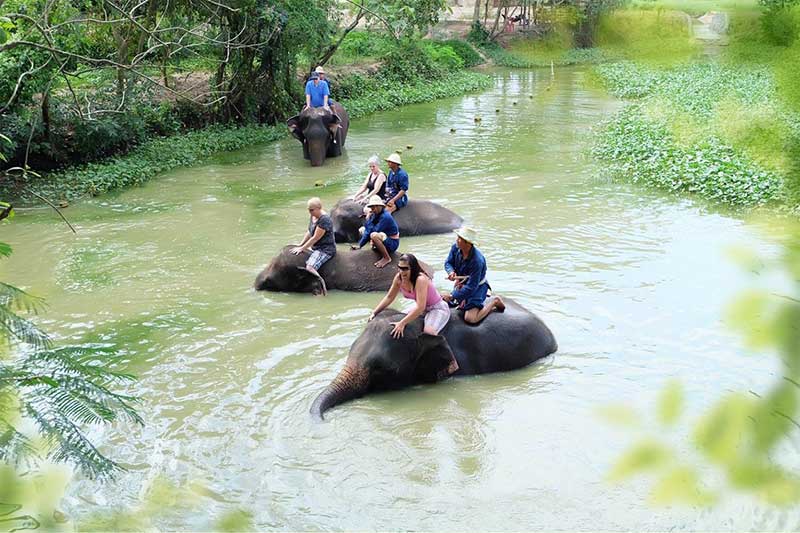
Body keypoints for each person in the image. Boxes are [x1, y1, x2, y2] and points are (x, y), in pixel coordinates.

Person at [369, 253, 459, 375]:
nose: (402, 271)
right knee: (397, 315)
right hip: (420, 308)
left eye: (405, 268)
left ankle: (451, 361)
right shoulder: (399, 278)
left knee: (429, 332)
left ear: (413, 268)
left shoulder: (420, 279)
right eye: (400, 268)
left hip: (436, 308)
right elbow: (390, 297)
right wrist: (375, 312)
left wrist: (402, 323)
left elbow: (421, 306)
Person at [442, 227, 505, 324]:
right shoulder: (455, 247)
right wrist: (451, 272)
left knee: (470, 318)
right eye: (458, 237)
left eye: (460, 238)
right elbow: (448, 262)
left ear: (467, 243)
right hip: (463, 283)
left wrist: (451, 296)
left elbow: (471, 287)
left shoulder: (477, 261)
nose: (457, 240)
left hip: (477, 287)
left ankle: (494, 301)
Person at [290, 197, 336, 295]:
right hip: (315, 247)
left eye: (311, 210)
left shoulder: (324, 220)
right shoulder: (313, 216)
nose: (310, 212)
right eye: (308, 210)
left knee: (310, 267)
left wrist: (302, 248)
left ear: (319, 208)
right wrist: (301, 244)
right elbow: (309, 232)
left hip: (325, 249)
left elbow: (315, 238)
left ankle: (321, 288)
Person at [351, 195, 400, 268]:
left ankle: (387, 258)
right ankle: (375, 246)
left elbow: (374, 230)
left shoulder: (385, 217)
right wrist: (360, 245)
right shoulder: (375, 214)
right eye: (371, 208)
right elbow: (368, 230)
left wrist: (369, 220)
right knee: (363, 230)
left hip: (392, 242)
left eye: (373, 208)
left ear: (379, 206)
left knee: (374, 235)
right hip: (384, 237)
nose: (372, 210)